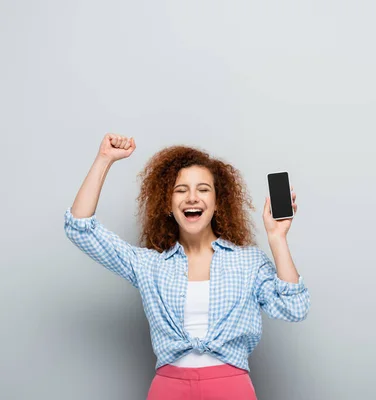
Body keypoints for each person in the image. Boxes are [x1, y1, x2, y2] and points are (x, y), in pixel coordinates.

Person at [64, 133, 310, 400]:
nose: (192, 197)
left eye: (203, 189)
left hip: (230, 388)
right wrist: (104, 159)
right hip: (169, 388)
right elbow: (80, 229)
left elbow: (294, 308)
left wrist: (277, 238)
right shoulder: (150, 265)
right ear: (167, 203)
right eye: (181, 190)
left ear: (218, 202)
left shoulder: (248, 262)